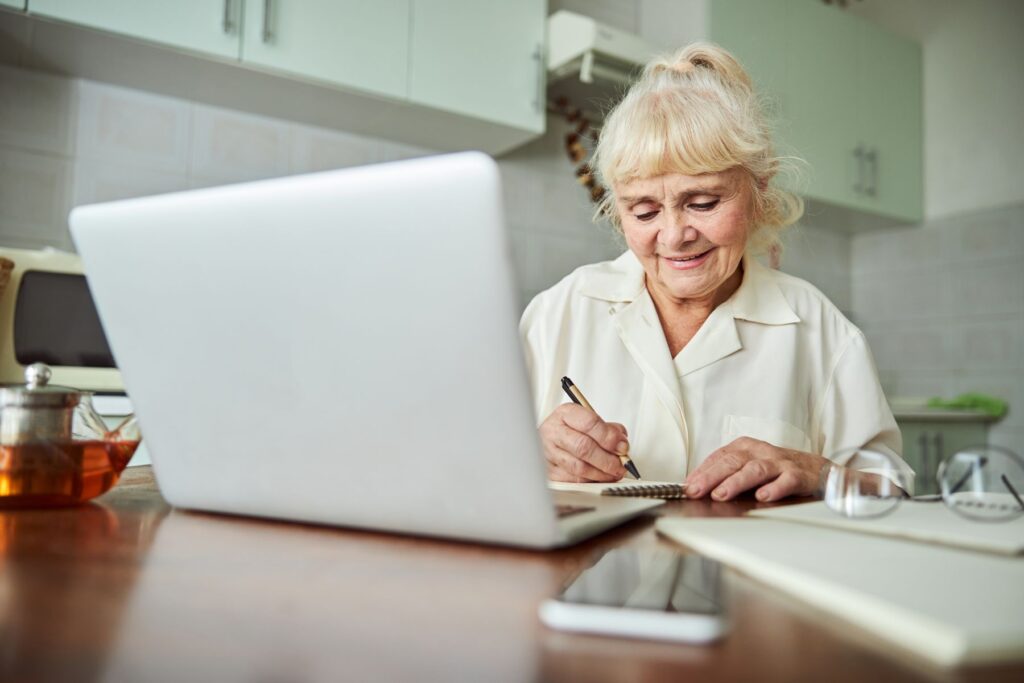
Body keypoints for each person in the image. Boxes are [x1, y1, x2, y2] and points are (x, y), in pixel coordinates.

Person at [519, 43, 910, 502]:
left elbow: (894, 494)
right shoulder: (559, 312)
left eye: (702, 203)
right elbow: (473, 470)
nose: (673, 236)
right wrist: (530, 452)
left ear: (758, 190)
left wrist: (820, 472)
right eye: (644, 212)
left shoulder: (820, 330)